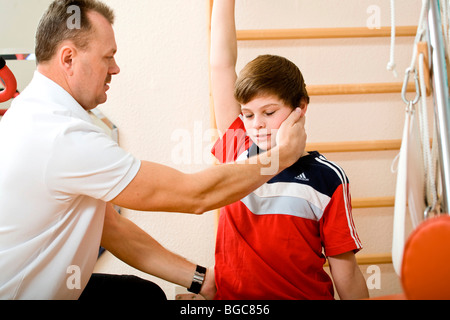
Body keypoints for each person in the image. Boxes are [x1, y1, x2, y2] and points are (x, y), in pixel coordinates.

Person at [0, 0, 307, 300]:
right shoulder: (61, 134)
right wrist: (282, 155)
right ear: (68, 59)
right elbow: (194, 195)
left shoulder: (36, 111)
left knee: (140, 294)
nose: (116, 68)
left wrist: (202, 281)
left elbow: (112, 227)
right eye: (108, 57)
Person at [209, 0, 369, 300]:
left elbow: (346, 274)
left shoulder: (328, 179)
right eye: (248, 114)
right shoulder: (237, 149)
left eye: (269, 112)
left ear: (300, 108)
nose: (257, 124)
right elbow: (221, 64)